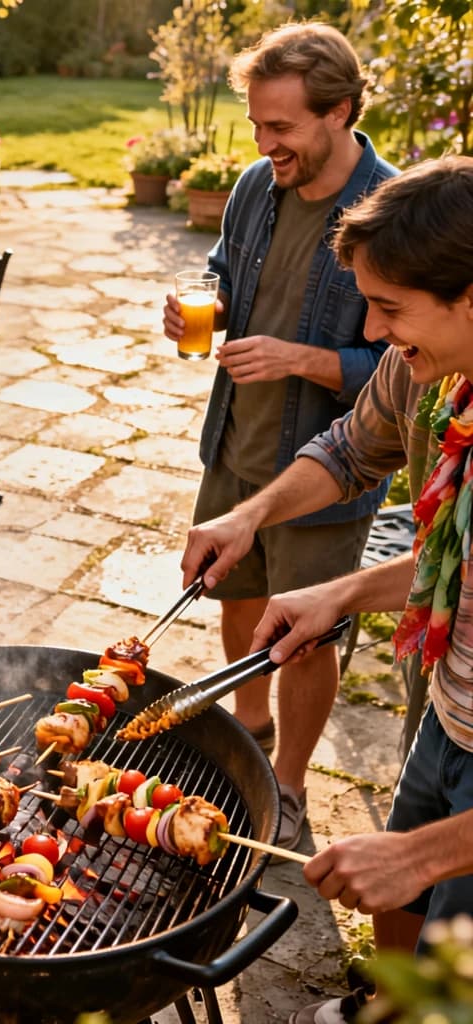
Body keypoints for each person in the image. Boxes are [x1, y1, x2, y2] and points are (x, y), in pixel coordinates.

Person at [183, 156, 473, 1024]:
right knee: (400, 892)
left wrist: (432, 854)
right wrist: (254, 523)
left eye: (391, 310)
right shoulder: (435, 374)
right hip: (450, 707)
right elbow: (349, 451)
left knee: (451, 971)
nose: (376, 331)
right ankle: (384, 1003)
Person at [161, 21, 397, 849]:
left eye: (282, 127)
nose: (265, 145)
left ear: (339, 112)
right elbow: (223, 271)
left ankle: (288, 786)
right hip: (236, 436)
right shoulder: (256, 186)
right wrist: (205, 302)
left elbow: (406, 369)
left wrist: (305, 358)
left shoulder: (388, 212)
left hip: (330, 462)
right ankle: (248, 732)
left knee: (305, 631)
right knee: (236, 589)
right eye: (258, 125)